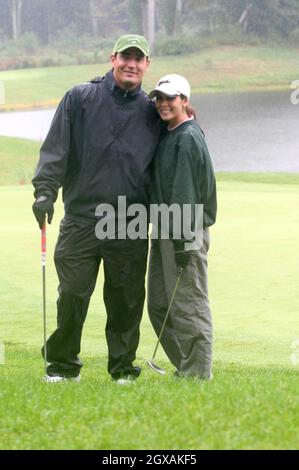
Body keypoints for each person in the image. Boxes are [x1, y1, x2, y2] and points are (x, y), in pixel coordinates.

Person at [32, 34, 161, 384]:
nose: (131, 64)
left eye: (139, 58)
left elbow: (166, 162)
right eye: (125, 57)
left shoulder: (152, 110)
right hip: (82, 218)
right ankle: (62, 365)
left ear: (147, 65)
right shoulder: (80, 98)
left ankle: (122, 370)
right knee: (72, 293)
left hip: (130, 222)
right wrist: (45, 192)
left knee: (126, 301)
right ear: (113, 58)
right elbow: (55, 149)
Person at [147, 74, 217, 380]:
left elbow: (186, 193)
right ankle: (186, 367)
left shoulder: (188, 137)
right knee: (159, 304)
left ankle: (198, 374)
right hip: (164, 228)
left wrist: (181, 239)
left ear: (184, 101)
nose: (163, 104)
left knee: (189, 305)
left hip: (183, 232)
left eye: (170, 99)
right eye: (160, 98)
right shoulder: (169, 132)